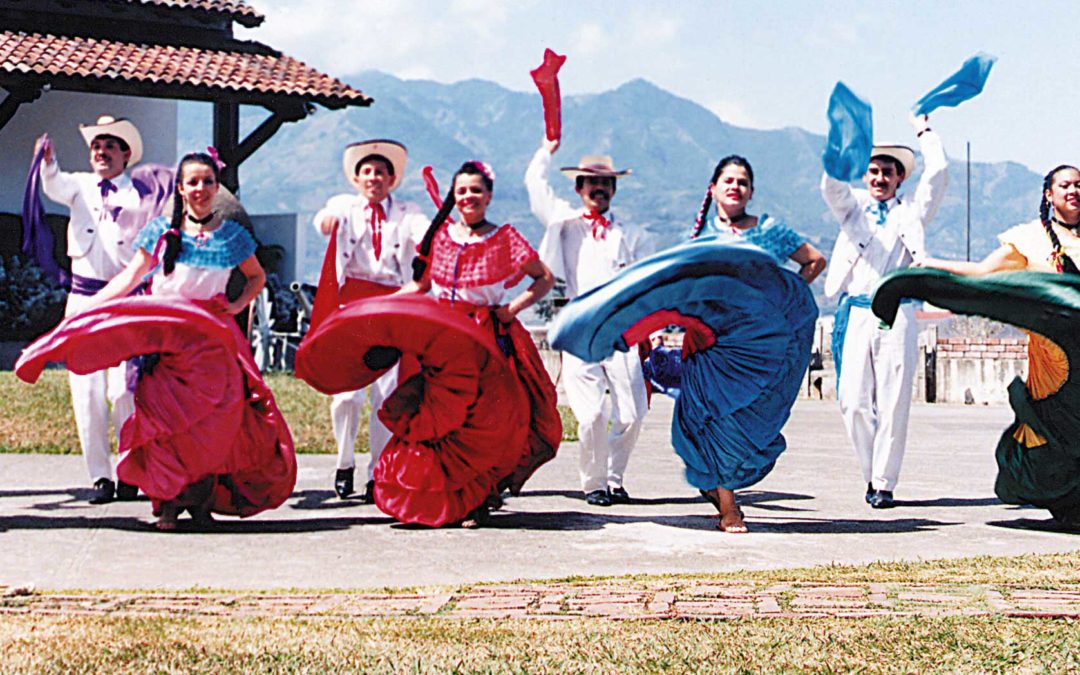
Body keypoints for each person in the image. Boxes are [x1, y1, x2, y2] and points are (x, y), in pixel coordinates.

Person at [42, 152, 296, 530]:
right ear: (180, 188)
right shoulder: (161, 232)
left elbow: (256, 277)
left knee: (212, 426)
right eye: (192, 182)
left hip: (212, 342)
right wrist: (88, 308)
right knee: (164, 424)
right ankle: (168, 504)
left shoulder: (232, 236)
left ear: (216, 187)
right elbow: (130, 278)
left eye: (207, 182)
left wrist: (237, 304)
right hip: (167, 341)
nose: (200, 189)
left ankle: (200, 503)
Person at [909, 164, 1080, 527]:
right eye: (1065, 185)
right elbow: (985, 272)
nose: (1074, 191)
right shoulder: (1030, 239)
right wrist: (932, 266)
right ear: (1049, 194)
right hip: (1055, 359)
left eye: (1079, 185)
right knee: (1058, 429)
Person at [393, 160, 560, 526]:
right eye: (462, 190)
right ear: (453, 196)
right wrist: (384, 307)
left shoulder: (505, 238)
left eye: (475, 190)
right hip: (440, 336)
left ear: (489, 196)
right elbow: (420, 286)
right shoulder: (440, 238)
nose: (468, 196)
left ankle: (478, 497)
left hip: (484, 336)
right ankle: (443, 498)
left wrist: (511, 308)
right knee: (440, 417)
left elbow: (544, 278)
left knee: (482, 420)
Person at [684, 155, 825, 531]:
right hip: (715, 346)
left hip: (761, 348)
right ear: (712, 189)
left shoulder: (770, 230)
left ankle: (719, 485)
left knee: (751, 420)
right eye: (728, 181)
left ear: (751, 192)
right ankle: (730, 507)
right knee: (716, 420)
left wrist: (784, 301)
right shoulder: (699, 238)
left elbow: (813, 261)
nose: (735, 187)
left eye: (743, 182)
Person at [821, 112, 948, 509]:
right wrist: (846, 143)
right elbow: (830, 184)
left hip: (899, 312)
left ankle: (883, 482)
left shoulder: (912, 212)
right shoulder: (852, 209)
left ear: (899, 178)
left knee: (894, 399)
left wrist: (924, 130)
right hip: (857, 311)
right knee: (853, 401)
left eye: (887, 173)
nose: (879, 178)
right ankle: (869, 471)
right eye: (873, 171)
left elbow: (939, 172)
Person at [525, 137, 649, 507]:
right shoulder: (564, 223)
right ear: (579, 188)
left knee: (632, 411)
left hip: (621, 328)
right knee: (593, 412)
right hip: (580, 325)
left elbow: (646, 283)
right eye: (592, 183)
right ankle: (593, 483)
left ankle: (614, 477)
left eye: (606, 184)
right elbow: (535, 184)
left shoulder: (631, 233)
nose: (599, 189)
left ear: (613, 189)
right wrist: (547, 149)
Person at [36, 115, 150, 505]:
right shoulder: (79, 186)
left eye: (110, 146)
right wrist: (48, 162)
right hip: (84, 300)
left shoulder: (140, 194)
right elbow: (53, 185)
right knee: (87, 388)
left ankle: (130, 470)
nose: (102, 153)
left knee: (124, 389)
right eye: (96, 147)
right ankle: (100, 475)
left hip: (122, 299)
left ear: (126, 155)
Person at [310, 140, 427, 502]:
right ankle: (345, 461)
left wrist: (431, 237)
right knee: (346, 394)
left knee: (385, 393)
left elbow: (423, 232)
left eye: (381, 172)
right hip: (352, 306)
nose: (374, 178)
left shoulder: (407, 212)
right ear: (357, 179)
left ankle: (378, 472)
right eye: (367, 172)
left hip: (392, 304)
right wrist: (326, 222)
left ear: (392, 179)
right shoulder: (344, 205)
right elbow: (323, 219)